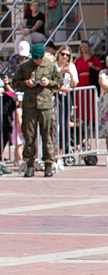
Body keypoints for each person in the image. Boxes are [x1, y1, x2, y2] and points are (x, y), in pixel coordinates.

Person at [13, 44, 61, 177]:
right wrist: (26, 83)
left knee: (47, 135)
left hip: (45, 105)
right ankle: (29, 164)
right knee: (29, 136)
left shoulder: (50, 65)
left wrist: (49, 82)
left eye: (39, 58)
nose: (37, 61)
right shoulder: (24, 65)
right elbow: (15, 82)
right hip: (30, 105)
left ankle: (48, 164)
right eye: (35, 58)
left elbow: (59, 81)